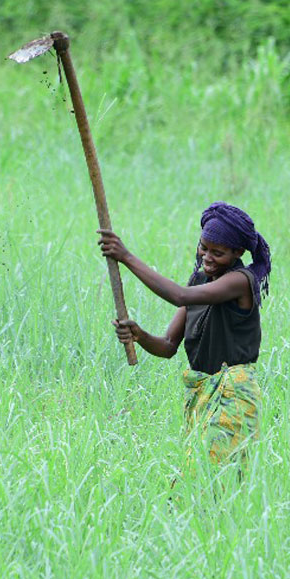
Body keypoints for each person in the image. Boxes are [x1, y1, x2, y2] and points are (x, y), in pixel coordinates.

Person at [98, 202, 270, 480]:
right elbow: (167, 345)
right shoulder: (199, 280)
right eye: (204, 247)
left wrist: (126, 257)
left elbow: (180, 296)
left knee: (206, 479)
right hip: (201, 395)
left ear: (238, 253)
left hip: (233, 396)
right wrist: (139, 335)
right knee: (204, 480)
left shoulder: (240, 281)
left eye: (218, 252)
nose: (208, 257)